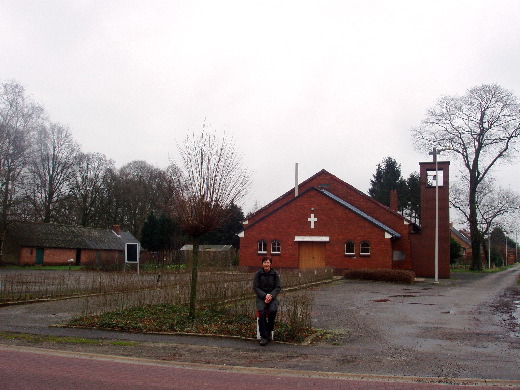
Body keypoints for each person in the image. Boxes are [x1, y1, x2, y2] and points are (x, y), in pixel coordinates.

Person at [253, 256, 281, 346]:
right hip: (261, 297)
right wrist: (265, 295)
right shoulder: (258, 274)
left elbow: (278, 287)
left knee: (272, 311)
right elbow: (255, 287)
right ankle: (264, 337)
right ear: (262, 264)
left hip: (272, 297)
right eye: (264, 262)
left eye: (268, 262)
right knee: (261, 313)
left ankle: (269, 331)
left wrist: (271, 296)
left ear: (270, 264)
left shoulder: (275, 274)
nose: (266, 264)